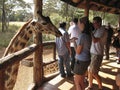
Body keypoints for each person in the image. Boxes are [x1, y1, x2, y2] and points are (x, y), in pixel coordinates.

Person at [86, 16, 107, 90]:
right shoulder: (96, 30)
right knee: (90, 70)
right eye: (93, 23)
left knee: (94, 72)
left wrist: (90, 32)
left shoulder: (102, 30)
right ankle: (90, 85)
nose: (93, 24)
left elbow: (95, 40)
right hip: (93, 53)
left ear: (99, 23)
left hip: (97, 54)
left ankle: (101, 87)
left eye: (95, 23)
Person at [73, 17, 91, 90]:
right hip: (86, 59)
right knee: (81, 81)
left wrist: (74, 42)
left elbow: (78, 51)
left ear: (82, 24)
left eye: (79, 23)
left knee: (77, 82)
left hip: (80, 61)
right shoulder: (88, 35)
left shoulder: (82, 35)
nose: (78, 25)